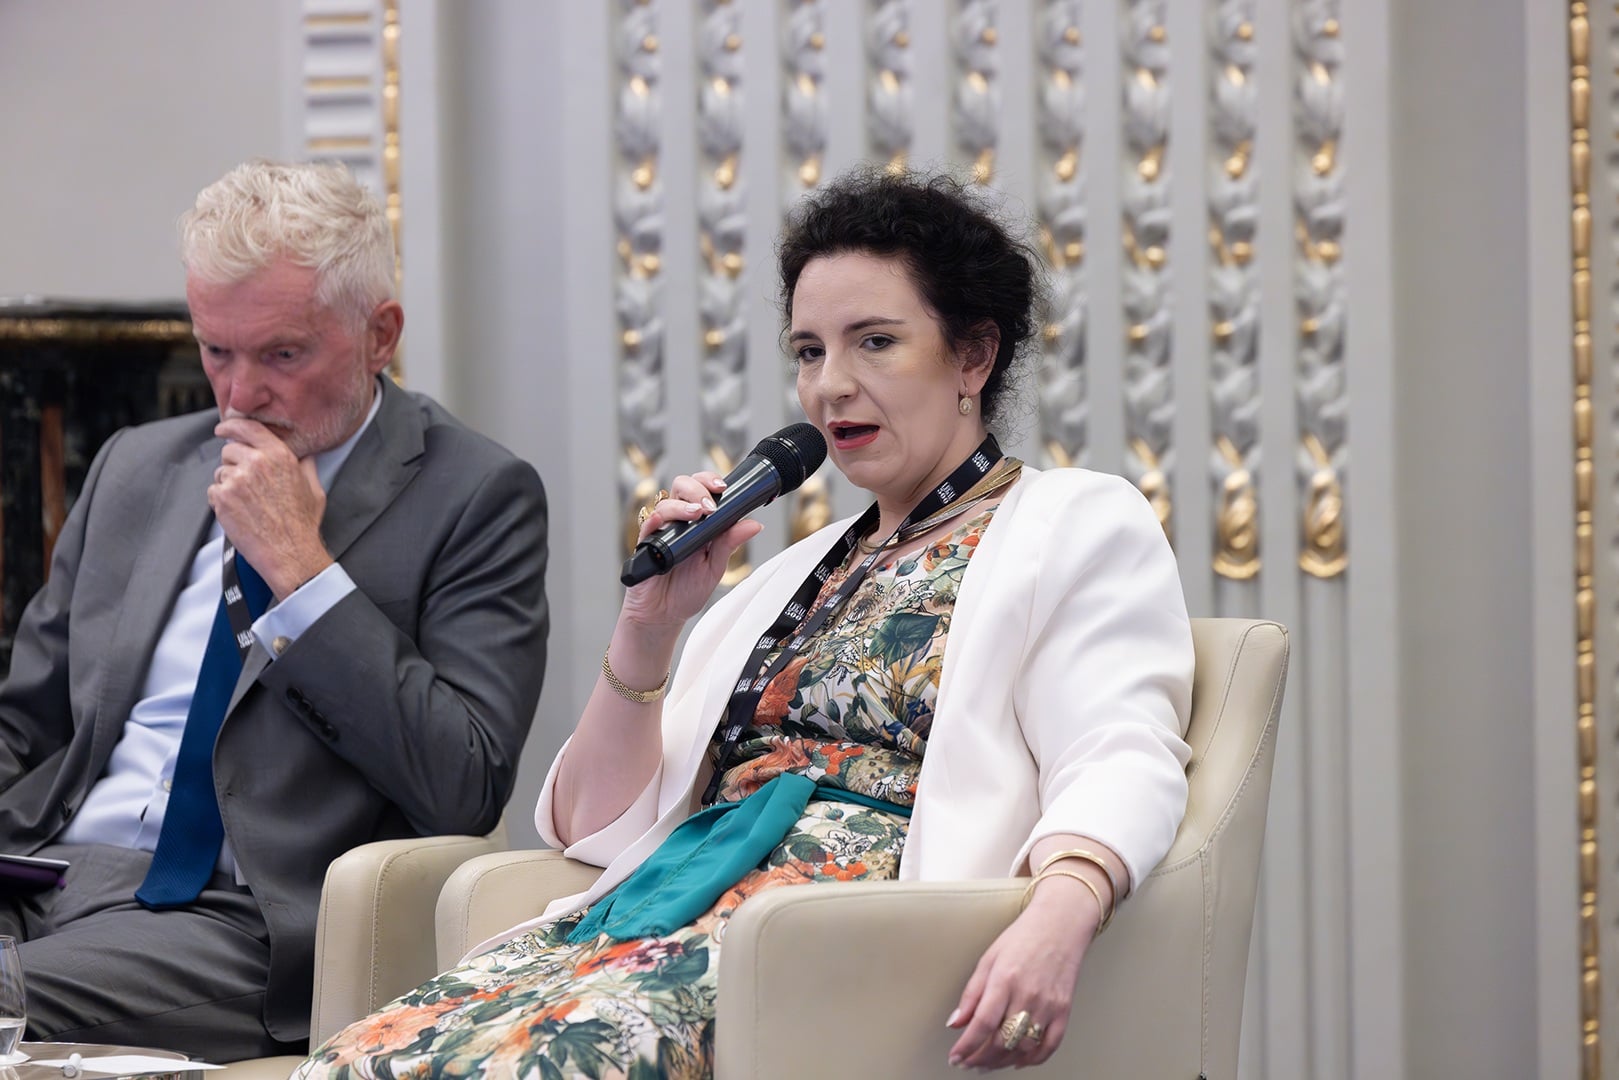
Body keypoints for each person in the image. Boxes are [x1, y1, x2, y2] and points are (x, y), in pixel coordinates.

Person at [298, 169, 1191, 1078]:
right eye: (808, 351)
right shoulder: (788, 577)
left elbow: (1121, 750)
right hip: (670, 915)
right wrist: (649, 627)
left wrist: (1062, 910)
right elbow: (591, 828)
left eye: (875, 342)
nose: (830, 386)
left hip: (836, 944)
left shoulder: (1070, 523)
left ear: (972, 357)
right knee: (356, 1062)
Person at [0, 161, 549, 1061]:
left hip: (236, 915)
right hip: (43, 873)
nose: (239, 394)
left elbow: (463, 782)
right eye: (216, 351)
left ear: (379, 335)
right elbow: (26, 724)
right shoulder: (139, 465)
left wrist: (300, 569)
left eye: (282, 355)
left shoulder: (476, 495)